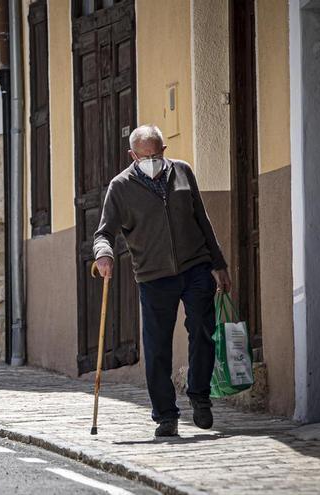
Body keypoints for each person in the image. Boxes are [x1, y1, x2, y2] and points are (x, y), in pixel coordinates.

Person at [93, 124, 232, 438]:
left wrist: (218, 263)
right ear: (133, 155)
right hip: (153, 276)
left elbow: (202, 219)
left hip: (195, 267)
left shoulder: (182, 172)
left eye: (158, 153)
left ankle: (199, 395)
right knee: (157, 349)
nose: (154, 160)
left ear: (164, 150)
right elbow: (104, 233)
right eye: (146, 156)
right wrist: (104, 254)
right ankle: (166, 416)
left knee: (202, 329)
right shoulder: (121, 187)